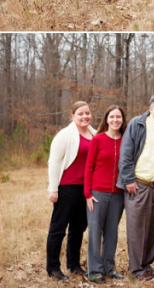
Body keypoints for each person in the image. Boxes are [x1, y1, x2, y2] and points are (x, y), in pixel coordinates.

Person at [118, 94, 154, 281]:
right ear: (151, 108)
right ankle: (136, 268)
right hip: (138, 185)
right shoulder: (138, 124)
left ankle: (146, 264)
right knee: (137, 228)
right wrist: (128, 179)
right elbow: (126, 153)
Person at [46, 101, 96, 281]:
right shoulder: (64, 135)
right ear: (72, 116)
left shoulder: (94, 134)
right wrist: (53, 189)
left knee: (78, 229)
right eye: (80, 114)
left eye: (87, 113)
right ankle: (53, 268)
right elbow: (54, 162)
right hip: (66, 188)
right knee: (58, 229)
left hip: (86, 190)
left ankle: (74, 265)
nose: (85, 117)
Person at [84, 105, 126, 283]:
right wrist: (87, 193)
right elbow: (89, 167)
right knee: (95, 231)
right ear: (106, 119)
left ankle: (109, 268)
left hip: (118, 194)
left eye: (118, 117)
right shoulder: (98, 139)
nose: (115, 120)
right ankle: (94, 270)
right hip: (97, 194)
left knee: (112, 232)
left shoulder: (126, 140)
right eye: (112, 117)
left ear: (123, 120)